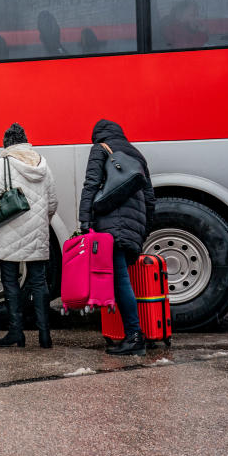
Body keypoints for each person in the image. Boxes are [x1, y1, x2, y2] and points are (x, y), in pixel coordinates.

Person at [0, 123, 58, 348]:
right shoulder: (42, 164)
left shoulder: (4, 163)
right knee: (39, 282)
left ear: (6, 142)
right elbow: (52, 202)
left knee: (10, 282)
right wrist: (41, 223)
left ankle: (16, 333)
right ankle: (44, 336)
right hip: (38, 234)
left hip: (9, 231)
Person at [78, 119, 156, 356]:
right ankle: (134, 334)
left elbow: (91, 185)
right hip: (133, 225)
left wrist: (84, 220)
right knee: (122, 280)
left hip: (112, 224)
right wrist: (144, 229)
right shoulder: (137, 154)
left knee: (121, 280)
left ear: (97, 136)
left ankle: (134, 336)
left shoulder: (101, 148)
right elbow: (150, 198)